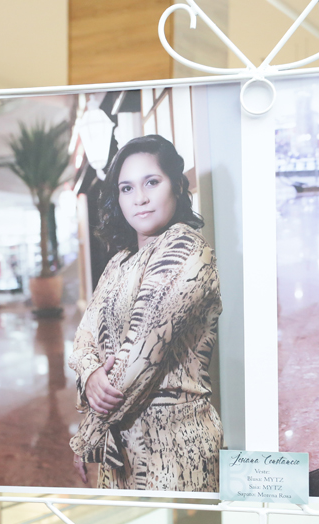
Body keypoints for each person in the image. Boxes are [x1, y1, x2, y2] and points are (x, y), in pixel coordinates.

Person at [68, 134, 223, 492]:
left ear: (177, 185)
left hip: (175, 448)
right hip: (120, 448)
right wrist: (90, 373)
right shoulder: (119, 262)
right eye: (126, 188)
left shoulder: (187, 250)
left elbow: (140, 358)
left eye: (152, 182)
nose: (139, 198)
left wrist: (87, 435)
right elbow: (83, 336)